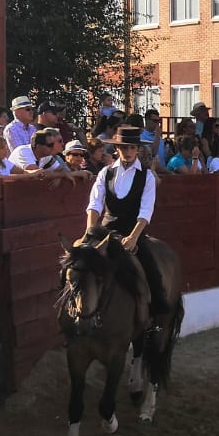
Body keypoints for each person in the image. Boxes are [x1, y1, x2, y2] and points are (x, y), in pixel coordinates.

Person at [84, 121, 170, 317]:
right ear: (117, 148)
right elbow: (95, 204)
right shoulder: (106, 172)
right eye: (124, 147)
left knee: (151, 270)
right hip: (106, 231)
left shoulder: (146, 177)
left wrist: (133, 237)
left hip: (134, 232)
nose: (128, 152)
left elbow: (146, 211)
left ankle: (157, 316)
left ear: (138, 149)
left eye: (132, 147)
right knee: (80, 266)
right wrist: (91, 232)